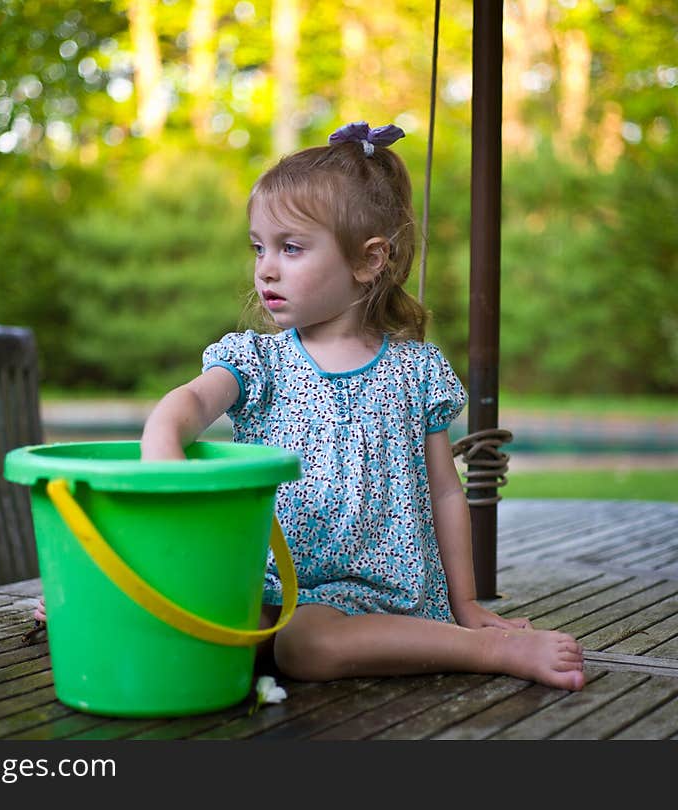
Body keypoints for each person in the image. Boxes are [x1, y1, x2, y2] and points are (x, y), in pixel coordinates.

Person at [137, 121, 585, 692]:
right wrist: (163, 441)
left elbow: (446, 490)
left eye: (291, 248)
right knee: (202, 623)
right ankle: (107, 602)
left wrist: (466, 603)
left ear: (368, 261)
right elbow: (191, 403)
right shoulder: (257, 360)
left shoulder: (413, 371)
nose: (265, 268)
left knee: (307, 644)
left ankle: (485, 647)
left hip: (371, 591)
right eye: (259, 248)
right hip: (264, 581)